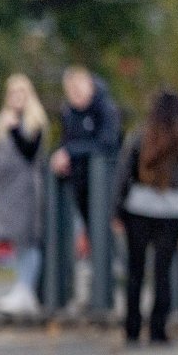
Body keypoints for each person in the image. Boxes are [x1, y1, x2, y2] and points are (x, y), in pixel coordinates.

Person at [112, 88, 178, 344]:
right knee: (163, 270)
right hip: (172, 211)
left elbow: (124, 173)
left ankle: (132, 327)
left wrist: (117, 210)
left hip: (139, 208)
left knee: (136, 270)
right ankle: (159, 328)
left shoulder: (141, 136)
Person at [0, 74, 48, 313]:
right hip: (6, 191)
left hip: (26, 190)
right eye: (12, 94)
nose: (16, 98)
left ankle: (26, 288)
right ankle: (20, 287)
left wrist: (14, 130)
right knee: (15, 241)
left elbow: (30, 153)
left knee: (28, 238)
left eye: (21, 93)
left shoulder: (34, 123)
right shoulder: (2, 123)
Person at [50, 66, 123, 242]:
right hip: (79, 183)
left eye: (78, 90)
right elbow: (67, 141)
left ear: (89, 84)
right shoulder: (69, 112)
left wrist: (70, 152)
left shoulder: (106, 108)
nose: (75, 96)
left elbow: (107, 143)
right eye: (70, 92)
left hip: (106, 184)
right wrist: (60, 157)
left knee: (106, 233)